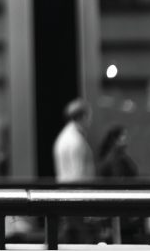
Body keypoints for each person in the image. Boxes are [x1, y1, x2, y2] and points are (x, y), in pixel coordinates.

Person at [53, 98, 97, 243]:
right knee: (83, 240)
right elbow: (78, 175)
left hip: (67, 197)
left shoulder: (63, 137)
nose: (91, 120)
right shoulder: (75, 140)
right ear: (83, 116)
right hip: (76, 200)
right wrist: (88, 206)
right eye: (89, 115)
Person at [99, 126, 143, 242]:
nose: (127, 137)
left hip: (123, 210)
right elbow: (119, 182)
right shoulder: (115, 158)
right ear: (115, 138)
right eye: (124, 135)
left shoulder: (118, 156)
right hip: (122, 211)